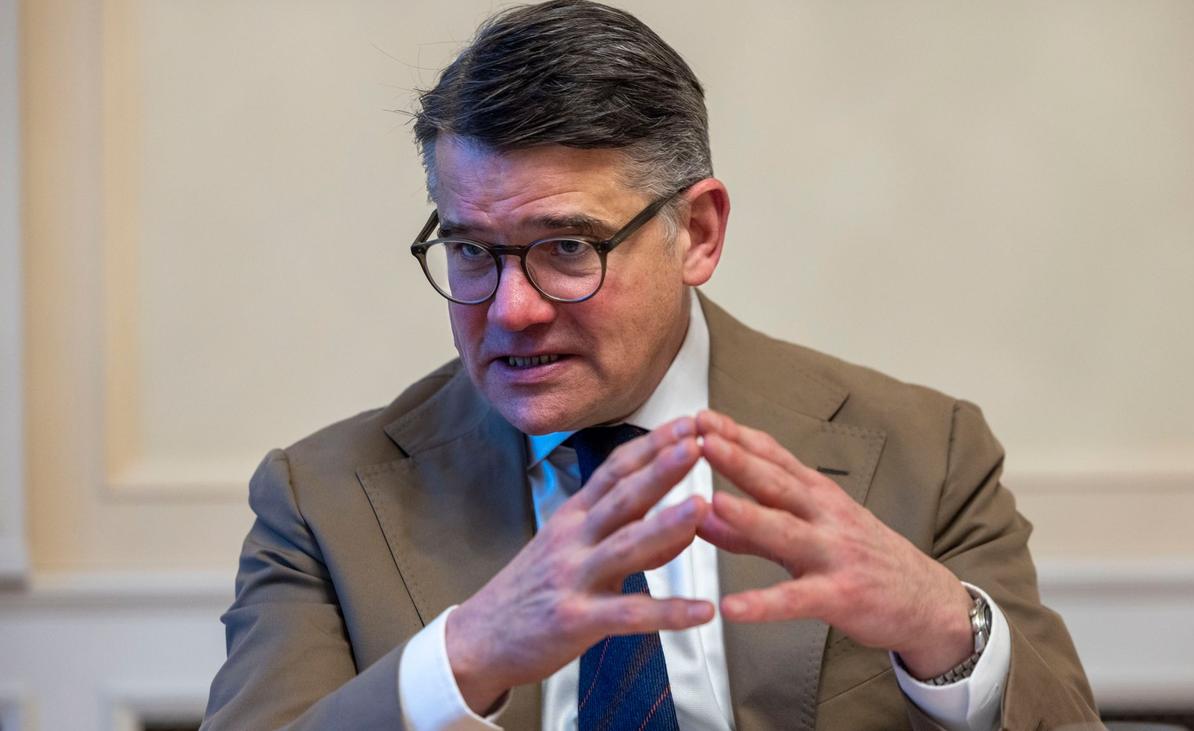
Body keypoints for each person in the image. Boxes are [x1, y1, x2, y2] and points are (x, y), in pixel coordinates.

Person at [201, 2, 1101, 729]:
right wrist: (465, 655)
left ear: (697, 233)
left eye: (566, 247)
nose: (511, 309)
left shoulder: (923, 454)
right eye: (472, 251)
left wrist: (941, 625)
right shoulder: (322, 499)